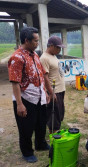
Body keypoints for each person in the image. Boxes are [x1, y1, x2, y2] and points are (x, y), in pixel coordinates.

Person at [8, 27, 50, 163]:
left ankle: (40, 143)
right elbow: (15, 83)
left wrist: (46, 92)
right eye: (35, 41)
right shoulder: (17, 57)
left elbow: (41, 75)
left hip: (39, 97)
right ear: (26, 40)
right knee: (26, 127)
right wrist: (19, 104)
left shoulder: (35, 55)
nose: (37, 43)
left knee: (40, 123)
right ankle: (27, 152)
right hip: (25, 98)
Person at [40, 36, 66, 134]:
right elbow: (44, 77)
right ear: (51, 46)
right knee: (54, 118)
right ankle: (54, 141)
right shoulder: (44, 58)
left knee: (59, 115)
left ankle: (55, 136)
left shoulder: (53, 55)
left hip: (60, 90)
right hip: (54, 91)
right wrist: (51, 92)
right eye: (58, 47)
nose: (60, 50)